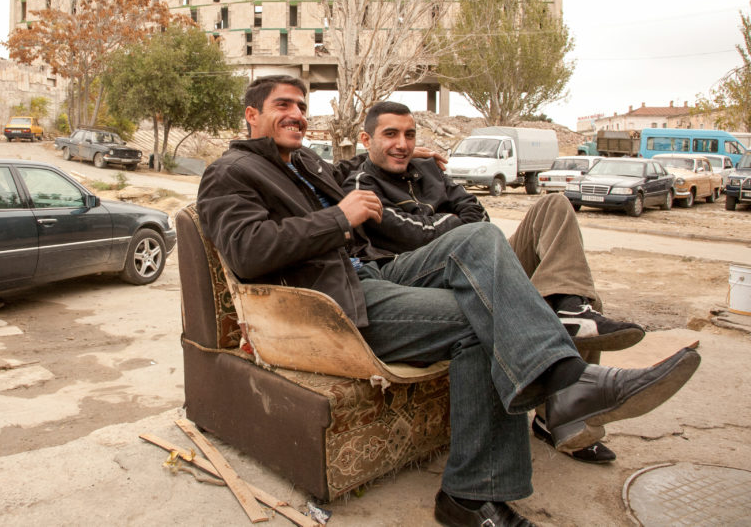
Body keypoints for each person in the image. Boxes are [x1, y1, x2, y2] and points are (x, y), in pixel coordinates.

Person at [197, 76, 700, 527]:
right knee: (482, 316)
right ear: (252, 115)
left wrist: (408, 156)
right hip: (329, 306)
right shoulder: (230, 171)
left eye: (303, 107)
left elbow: (353, 165)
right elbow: (246, 251)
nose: (298, 115)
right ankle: (500, 463)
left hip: (369, 276)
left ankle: (545, 404)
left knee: (481, 241)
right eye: (283, 105)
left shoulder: (304, 162)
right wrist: (339, 218)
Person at [343, 101, 644, 463]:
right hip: (416, 275)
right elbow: (418, 236)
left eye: (409, 135)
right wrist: (456, 223)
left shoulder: (429, 170)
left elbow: (478, 212)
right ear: (366, 140)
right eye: (390, 134)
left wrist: (455, 220)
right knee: (479, 239)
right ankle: (567, 398)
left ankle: (570, 312)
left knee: (555, 209)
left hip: (475, 258)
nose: (402, 144)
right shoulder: (360, 183)